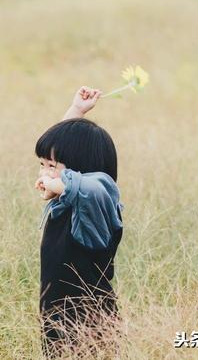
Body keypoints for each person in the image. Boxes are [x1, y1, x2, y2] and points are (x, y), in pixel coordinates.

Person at [34, 87, 124, 358]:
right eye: (42, 164)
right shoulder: (68, 202)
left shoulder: (95, 203)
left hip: (89, 326)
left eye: (52, 166)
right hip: (58, 322)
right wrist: (76, 113)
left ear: (79, 170)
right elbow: (65, 158)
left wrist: (55, 182)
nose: (44, 173)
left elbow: (92, 186)